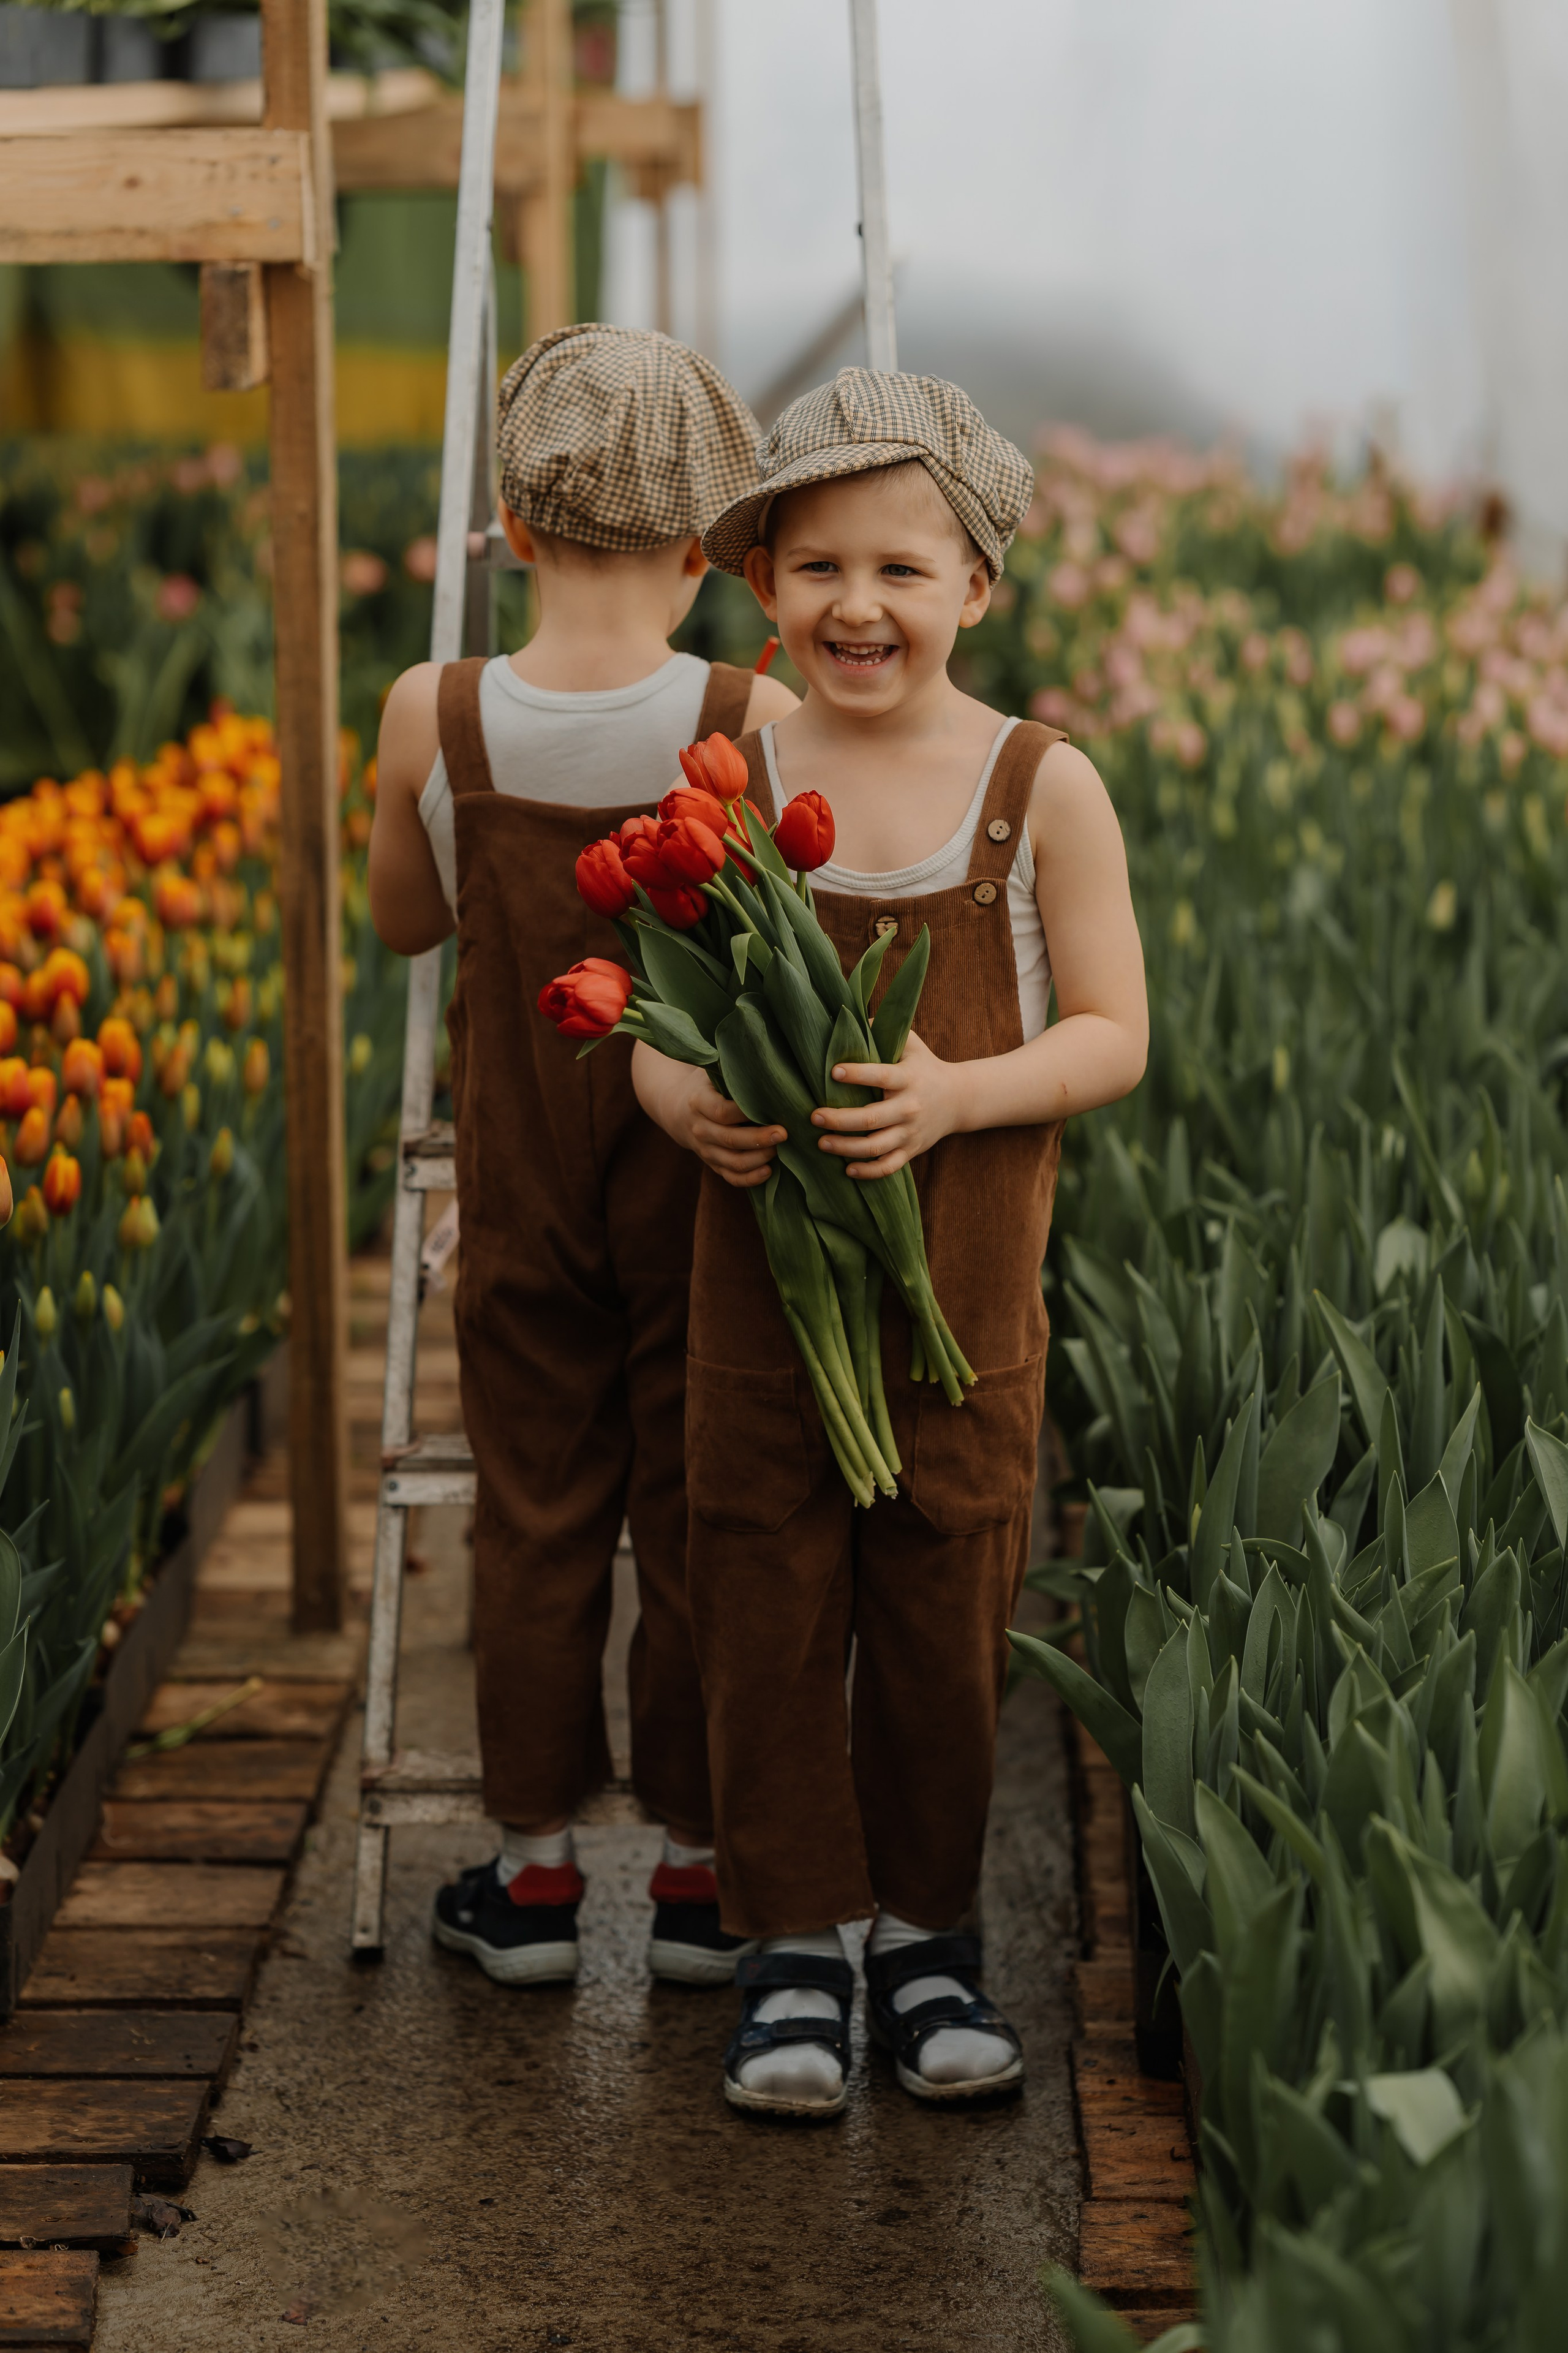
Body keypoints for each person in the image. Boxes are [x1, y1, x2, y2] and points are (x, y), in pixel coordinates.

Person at [633, 369, 1148, 2115]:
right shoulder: (728, 773)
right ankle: (792, 1943)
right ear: (760, 580)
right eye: (819, 565)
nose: (860, 606)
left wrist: (955, 1097)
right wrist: (673, 1095)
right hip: (762, 1308)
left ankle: (929, 1936)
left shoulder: (1037, 788)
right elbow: (653, 1001)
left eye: (905, 571)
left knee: (943, 1614)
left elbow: (1116, 1036)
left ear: (979, 586)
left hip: (958, 1303)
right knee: (761, 1600)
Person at [368, 325, 796, 1991]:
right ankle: (698, 1877)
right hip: (705, 1184)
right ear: (707, 549)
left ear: (511, 528)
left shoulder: (440, 712)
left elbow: (412, 921)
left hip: (524, 1182)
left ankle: (534, 1876)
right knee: (700, 1513)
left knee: (536, 1513)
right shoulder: (745, 718)